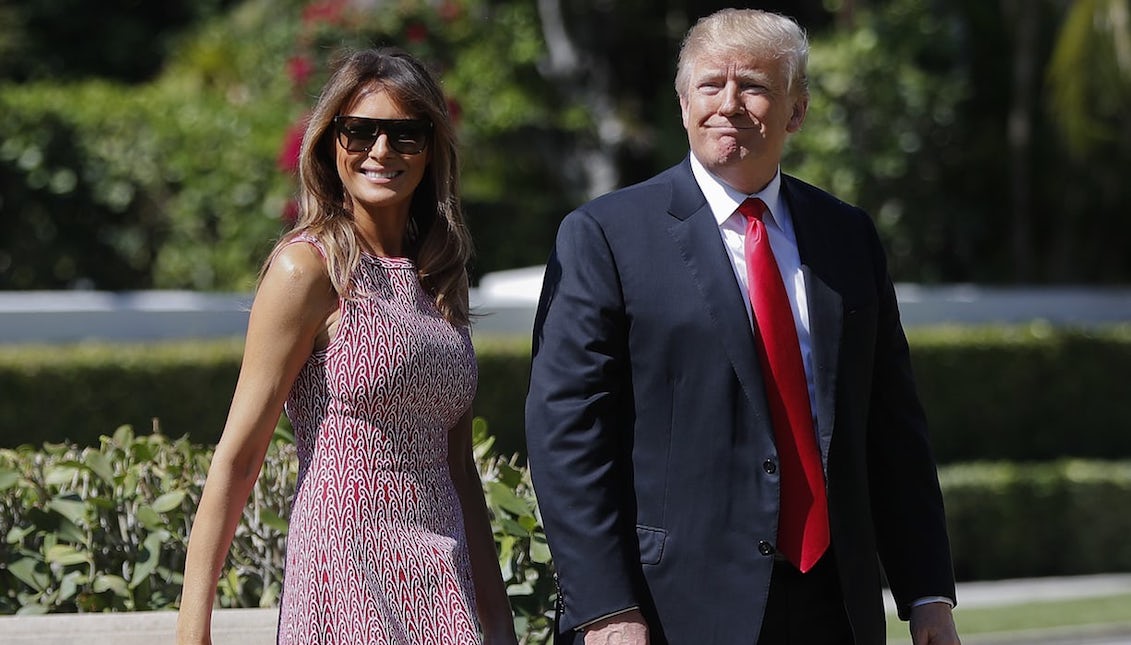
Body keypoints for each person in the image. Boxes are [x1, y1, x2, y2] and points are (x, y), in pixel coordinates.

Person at [525, 9, 960, 645]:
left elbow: (893, 426)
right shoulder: (604, 237)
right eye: (709, 85)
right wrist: (605, 609)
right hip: (673, 610)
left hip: (834, 606)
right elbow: (566, 435)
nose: (729, 104)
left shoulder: (847, 238)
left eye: (754, 86)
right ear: (682, 103)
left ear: (797, 111)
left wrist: (927, 594)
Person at [177, 47, 517, 645]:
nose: (380, 152)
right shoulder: (306, 269)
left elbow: (459, 469)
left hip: (443, 580)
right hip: (345, 580)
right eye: (359, 131)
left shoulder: (441, 275)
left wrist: (498, 621)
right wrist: (192, 629)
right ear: (330, 142)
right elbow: (239, 457)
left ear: (431, 148)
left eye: (405, 134)